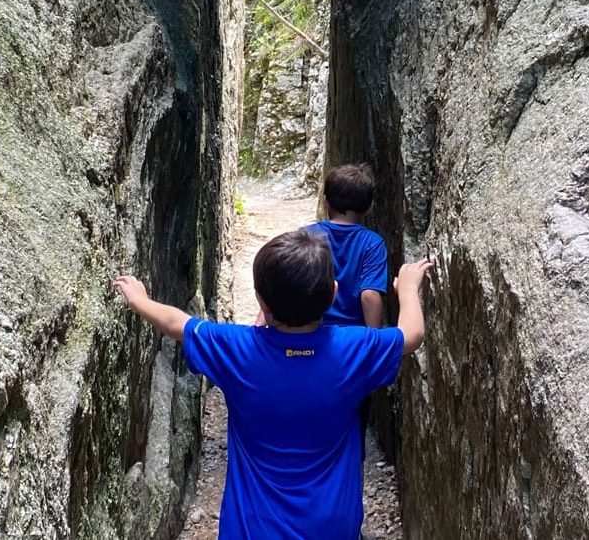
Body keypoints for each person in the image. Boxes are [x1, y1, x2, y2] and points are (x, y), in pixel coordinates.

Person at [112, 230, 432, 540]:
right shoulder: (355, 348)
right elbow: (411, 336)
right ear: (333, 294)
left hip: (252, 526)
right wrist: (407, 289)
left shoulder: (236, 348)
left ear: (261, 300)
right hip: (331, 525)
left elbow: (177, 324)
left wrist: (139, 301)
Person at [310, 164, 387, 329]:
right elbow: (370, 295)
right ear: (369, 208)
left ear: (325, 202)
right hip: (353, 335)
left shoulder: (307, 236)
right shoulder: (373, 243)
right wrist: (373, 341)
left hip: (312, 332)